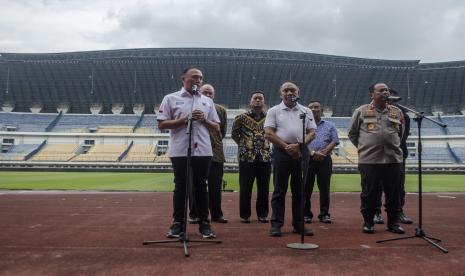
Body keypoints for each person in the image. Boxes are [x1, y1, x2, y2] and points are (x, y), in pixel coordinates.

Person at [157, 67, 220, 239]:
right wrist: (184, 120)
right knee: (181, 187)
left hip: (203, 150)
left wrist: (203, 119)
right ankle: (178, 223)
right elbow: (161, 124)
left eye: (200, 78)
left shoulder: (207, 101)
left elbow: (216, 128)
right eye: (194, 77)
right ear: (183, 78)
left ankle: (204, 224)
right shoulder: (170, 98)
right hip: (180, 149)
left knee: (201, 186)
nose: (198, 81)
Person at [348, 82, 405, 234]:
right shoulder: (361, 111)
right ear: (372, 94)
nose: (385, 92)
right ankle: (368, 222)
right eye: (381, 90)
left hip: (393, 160)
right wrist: (364, 147)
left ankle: (393, 223)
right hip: (369, 161)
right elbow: (352, 133)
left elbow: (401, 134)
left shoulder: (396, 111)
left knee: (394, 194)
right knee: (369, 193)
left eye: (386, 90)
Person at [264, 81, 316, 237]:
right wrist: (287, 147)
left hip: (302, 153)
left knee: (300, 191)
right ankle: (276, 225)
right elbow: (269, 133)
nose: (289, 92)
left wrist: (299, 146)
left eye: (292, 90)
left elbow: (312, 132)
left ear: (298, 93)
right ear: (281, 94)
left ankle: (299, 224)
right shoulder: (274, 110)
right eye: (286, 90)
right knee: (279, 190)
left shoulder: (306, 111)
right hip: (281, 153)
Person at [374, 88, 413, 225]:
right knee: (377, 185)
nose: (393, 102)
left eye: (395, 99)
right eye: (389, 98)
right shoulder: (373, 113)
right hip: (377, 155)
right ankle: (376, 213)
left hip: (397, 155)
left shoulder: (404, 116)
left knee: (398, 186)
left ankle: (399, 212)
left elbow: (403, 136)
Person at [231, 91, 272, 224]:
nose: (258, 100)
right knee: (245, 187)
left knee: (264, 188)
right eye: (255, 98)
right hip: (246, 158)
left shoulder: (270, 118)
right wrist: (244, 146)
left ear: (264, 102)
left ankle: (263, 214)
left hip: (265, 158)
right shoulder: (241, 117)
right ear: (250, 102)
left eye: (261, 98)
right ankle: (245, 215)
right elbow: (234, 134)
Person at [304, 100, 339, 224]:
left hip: (325, 160)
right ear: (307, 111)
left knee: (324, 188)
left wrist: (324, 153)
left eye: (316, 107)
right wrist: (312, 153)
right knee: (306, 188)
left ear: (322, 110)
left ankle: (324, 214)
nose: (313, 109)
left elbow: (334, 140)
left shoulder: (330, 125)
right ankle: (306, 214)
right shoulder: (303, 125)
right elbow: (301, 142)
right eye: (311, 107)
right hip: (308, 159)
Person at [199, 84, 228, 223]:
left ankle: (216, 214)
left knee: (215, 185)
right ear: (199, 93)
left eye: (211, 93)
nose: (208, 95)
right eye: (205, 92)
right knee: (196, 185)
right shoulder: (194, 107)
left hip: (216, 153)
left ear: (214, 95)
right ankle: (195, 214)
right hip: (197, 152)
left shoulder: (221, 110)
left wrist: (212, 142)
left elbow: (222, 132)